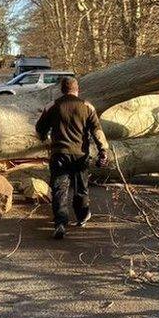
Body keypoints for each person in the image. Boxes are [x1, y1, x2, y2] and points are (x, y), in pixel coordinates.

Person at [35, 76, 109, 239]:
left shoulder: (52, 106)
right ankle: (82, 217)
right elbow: (97, 131)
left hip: (59, 154)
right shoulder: (87, 107)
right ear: (77, 89)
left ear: (61, 89)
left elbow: (40, 129)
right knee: (80, 187)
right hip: (80, 155)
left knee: (59, 189)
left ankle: (61, 222)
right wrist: (103, 150)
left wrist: (45, 139)